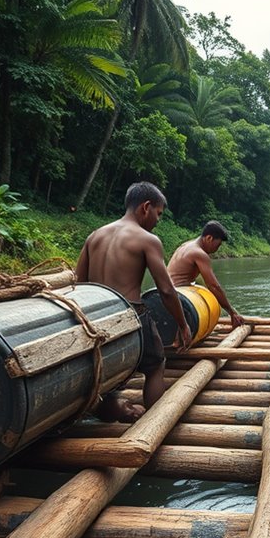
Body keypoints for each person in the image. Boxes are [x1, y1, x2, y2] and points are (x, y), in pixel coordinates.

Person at [75, 181, 192, 422]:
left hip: (94, 317)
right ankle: (155, 422)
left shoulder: (94, 236)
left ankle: (113, 407)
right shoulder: (147, 240)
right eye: (158, 213)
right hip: (129, 314)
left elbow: (79, 284)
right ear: (146, 207)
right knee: (156, 364)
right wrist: (182, 324)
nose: (158, 220)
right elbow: (166, 290)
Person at [167, 220, 245, 328]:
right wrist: (232, 312)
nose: (217, 249)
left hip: (165, 292)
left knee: (200, 281)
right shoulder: (200, 254)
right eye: (218, 245)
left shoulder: (186, 245)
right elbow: (213, 286)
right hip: (179, 297)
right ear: (209, 238)